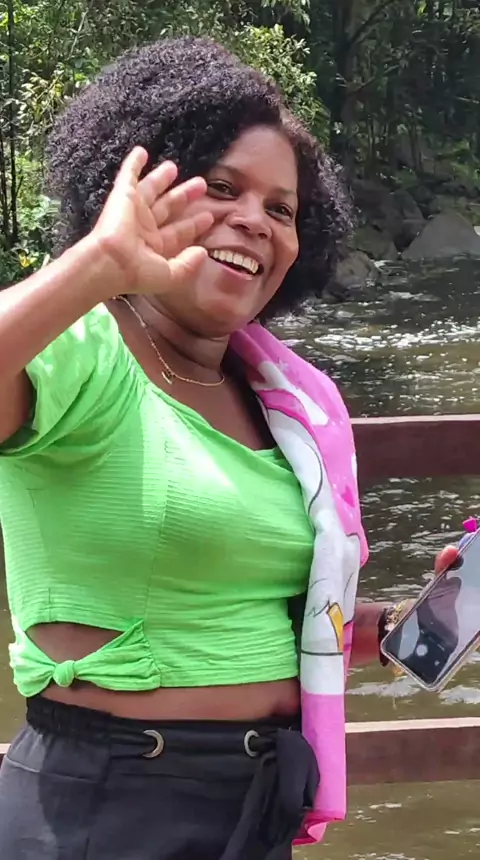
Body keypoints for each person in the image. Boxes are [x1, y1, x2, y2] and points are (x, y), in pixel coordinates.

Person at [0, 36, 454, 859]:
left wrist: (415, 623)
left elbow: (270, 619)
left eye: (282, 209)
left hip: (252, 806)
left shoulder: (284, 404)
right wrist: (100, 264)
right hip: (109, 809)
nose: (254, 220)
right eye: (221, 187)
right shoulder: (82, 351)